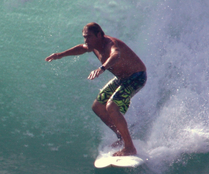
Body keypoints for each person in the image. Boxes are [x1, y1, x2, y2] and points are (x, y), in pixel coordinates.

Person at [46, 22, 147, 156]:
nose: (86, 40)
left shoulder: (111, 44)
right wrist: (61, 55)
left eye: (88, 37)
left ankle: (130, 147)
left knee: (111, 106)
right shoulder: (93, 45)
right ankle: (123, 136)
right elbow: (82, 48)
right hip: (122, 78)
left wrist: (101, 68)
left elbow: (115, 56)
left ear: (99, 34)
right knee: (98, 106)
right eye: (84, 37)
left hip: (136, 76)